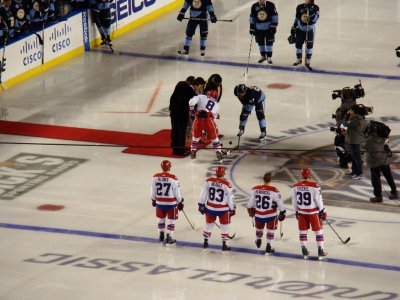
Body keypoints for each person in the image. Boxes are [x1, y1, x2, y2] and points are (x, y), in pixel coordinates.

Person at [292, 168, 327, 260]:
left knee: (303, 232)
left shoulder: (295, 186)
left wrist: (296, 211)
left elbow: (294, 201)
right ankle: (321, 250)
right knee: (319, 232)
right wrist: (322, 210)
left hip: (301, 212)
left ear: (301, 175)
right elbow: (318, 200)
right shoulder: (314, 186)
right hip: (313, 213)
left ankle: (304, 250)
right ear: (309, 175)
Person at [247, 172, 286, 255]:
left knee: (259, 229)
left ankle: (258, 239)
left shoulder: (255, 189)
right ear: (270, 180)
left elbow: (250, 204)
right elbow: (280, 204)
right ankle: (269, 247)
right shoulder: (274, 190)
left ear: (263, 179)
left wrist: (250, 210)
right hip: (270, 215)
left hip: (259, 215)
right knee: (270, 231)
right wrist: (283, 212)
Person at [198, 166, 235, 251]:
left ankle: (205, 242)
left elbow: (203, 194)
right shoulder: (227, 185)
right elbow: (230, 199)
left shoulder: (209, 181)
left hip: (210, 208)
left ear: (216, 173)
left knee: (208, 225)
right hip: (223, 210)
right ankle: (225, 245)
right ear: (223, 174)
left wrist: (201, 204)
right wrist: (232, 208)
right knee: (224, 227)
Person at [150, 160, 184, 245]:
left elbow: (153, 190)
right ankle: (169, 236)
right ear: (170, 167)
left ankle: (161, 234)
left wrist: (153, 199)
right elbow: (177, 191)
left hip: (159, 202)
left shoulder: (155, 177)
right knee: (171, 220)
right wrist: (180, 201)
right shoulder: (173, 178)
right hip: (171, 203)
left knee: (161, 218)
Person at [169, 76, 205, 156]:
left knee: (175, 131)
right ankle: (180, 151)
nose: (200, 89)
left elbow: (173, 97)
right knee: (181, 132)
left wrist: (171, 108)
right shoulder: (191, 93)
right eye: (201, 86)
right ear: (196, 85)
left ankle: (175, 148)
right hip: (181, 114)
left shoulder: (181, 84)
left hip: (173, 112)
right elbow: (195, 105)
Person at [364, 121, 398, 203]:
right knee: (389, 176)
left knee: (376, 180)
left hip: (374, 161)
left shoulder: (369, 140)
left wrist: (365, 135)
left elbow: (364, 146)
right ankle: (394, 191)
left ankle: (378, 196)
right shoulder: (382, 137)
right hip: (384, 159)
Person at [189, 89, 224, 162]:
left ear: (208, 94)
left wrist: (192, 109)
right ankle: (219, 153)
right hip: (208, 121)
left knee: (195, 137)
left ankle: (193, 151)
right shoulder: (217, 105)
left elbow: (191, 102)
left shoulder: (202, 96)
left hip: (198, 119)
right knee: (215, 138)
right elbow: (214, 118)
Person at [290, 0, 319, 69]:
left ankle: (308, 60)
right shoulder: (299, 7)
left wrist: (311, 11)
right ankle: (299, 59)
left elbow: (315, 19)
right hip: (300, 29)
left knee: (309, 45)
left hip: (309, 29)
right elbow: (297, 18)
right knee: (298, 44)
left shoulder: (316, 7)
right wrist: (294, 27)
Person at [342, 104, 368, 179]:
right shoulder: (361, 119)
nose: (349, 111)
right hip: (356, 140)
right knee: (354, 157)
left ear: (353, 111)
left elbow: (344, 123)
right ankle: (354, 171)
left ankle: (359, 173)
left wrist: (346, 116)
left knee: (357, 158)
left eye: (350, 110)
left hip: (355, 141)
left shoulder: (355, 120)